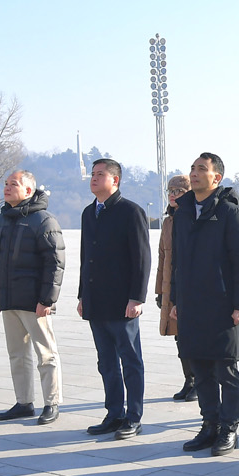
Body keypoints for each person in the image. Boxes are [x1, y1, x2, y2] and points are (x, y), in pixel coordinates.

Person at [171, 153, 239, 456]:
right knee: (200, 368)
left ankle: (229, 428)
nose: (194, 174)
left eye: (201, 169)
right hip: (191, 304)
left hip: (222, 305)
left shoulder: (230, 213)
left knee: (225, 370)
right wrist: (175, 300)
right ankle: (209, 425)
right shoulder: (181, 213)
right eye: (192, 168)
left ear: (216, 178)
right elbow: (177, 262)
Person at [78, 158, 151, 439]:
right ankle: (114, 413)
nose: (93, 179)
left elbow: (141, 258)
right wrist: (83, 294)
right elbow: (87, 257)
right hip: (97, 301)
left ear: (115, 180)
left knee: (130, 361)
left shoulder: (130, 212)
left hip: (123, 303)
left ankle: (133, 416)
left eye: (99, 175)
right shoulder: (89, 213)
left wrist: (136, 297)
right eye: (92, 175)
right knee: (106, 362)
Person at [0, 171, 66, 424]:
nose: (7, 188)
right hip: (9, 300)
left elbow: (55, 263)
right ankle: (23, 402)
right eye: (6, 183)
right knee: (17, 354)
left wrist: (47, 300)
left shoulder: (43, 220)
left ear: (29, 191)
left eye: (14, 184)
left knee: (46, 353)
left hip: (35, 302)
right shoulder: (1, 220)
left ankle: (51, 403)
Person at [155, 174, 195, 401]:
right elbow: (162, 259)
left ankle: (199, 380)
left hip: (188, 287)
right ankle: (188, 379)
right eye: (170, 191)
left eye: (178, 191)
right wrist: (160, 291)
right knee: (178, 336)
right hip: (171, 286)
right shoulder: (168, 222)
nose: (173, 195)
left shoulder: (191, 219)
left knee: (191, 336)